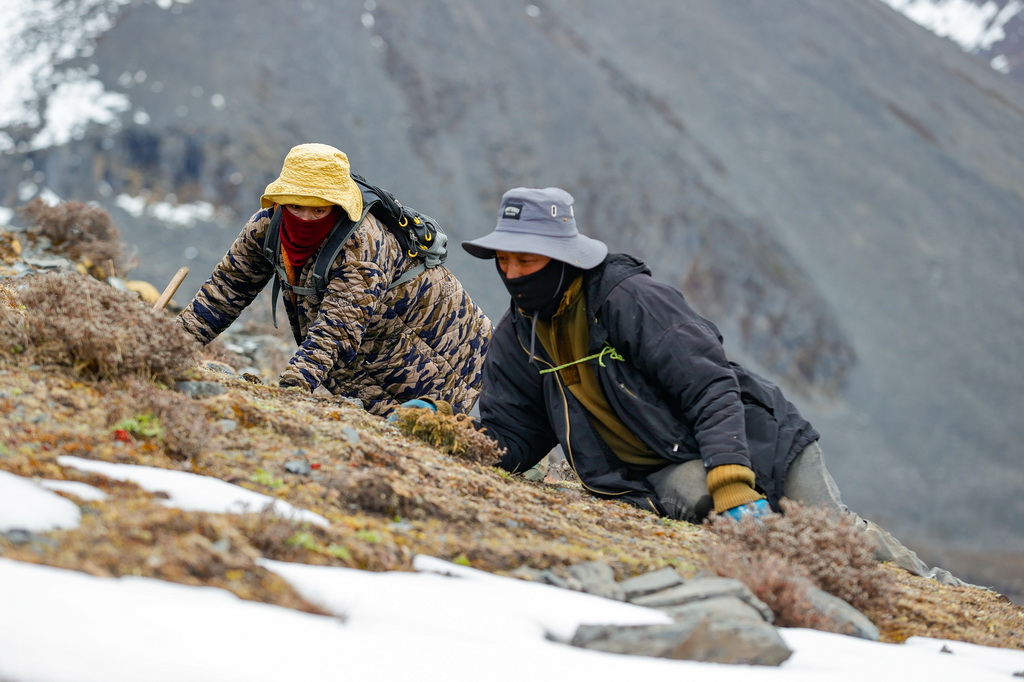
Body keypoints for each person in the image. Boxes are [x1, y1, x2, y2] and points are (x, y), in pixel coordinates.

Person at [413, 186, 959, 584]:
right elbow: (515, 432)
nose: (510, 274)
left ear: (561, 258)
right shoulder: (518, 335)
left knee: (833, 537)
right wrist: (449, 436)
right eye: (503, 261)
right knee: (747, 531)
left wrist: (733, 479)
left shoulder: (629, 300)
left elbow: (711, 385)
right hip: (665, 466)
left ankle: (936, 588)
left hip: (758, 436)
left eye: (525, 260)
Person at [177, 143, 492, 416]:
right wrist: (170, 344)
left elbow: (337, 327)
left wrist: (294, 386)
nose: (305, 217)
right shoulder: (265, 229)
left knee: (426, 435)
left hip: (443, 343)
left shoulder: (363, 243)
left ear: (339, 206)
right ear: (280, 201)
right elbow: (223, 292)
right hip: (377, 346)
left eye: (319, 209)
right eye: (296, 205)